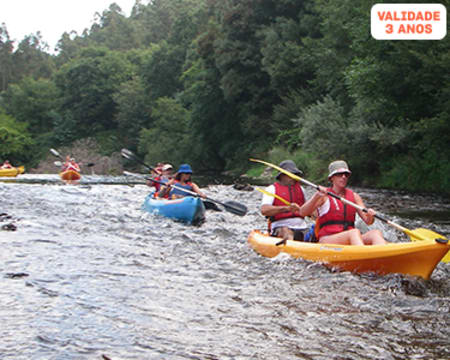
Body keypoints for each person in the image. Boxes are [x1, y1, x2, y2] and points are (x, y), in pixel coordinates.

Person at [304, 160, 387, 246]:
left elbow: (368, 221)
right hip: (328, 238)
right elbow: (302, 212)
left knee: (375, 233)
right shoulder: (323, 195)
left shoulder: (354, 196)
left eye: (346, 175)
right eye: (340, 174)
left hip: (349, 237)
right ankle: (363, 256)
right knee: (354, 233)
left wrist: (370, 216)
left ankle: (385, 256)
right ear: (332, 177)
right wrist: (315, 197)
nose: (343, 177)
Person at [260, 160, 311, 242]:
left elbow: (309, 213)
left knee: (314, 233)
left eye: (294, 174)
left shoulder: (301, 189)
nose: (293, 177)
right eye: (290, 174)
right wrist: (287, 208)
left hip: (302, 227)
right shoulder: (271, 189)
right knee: (286, 231)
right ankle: (290, 251)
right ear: (281, 176)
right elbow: (264, 210)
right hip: (280, 226)